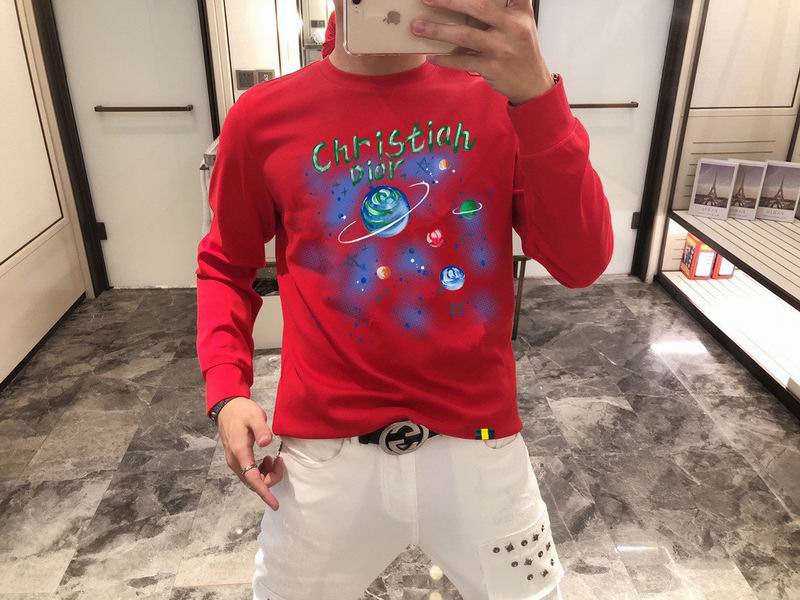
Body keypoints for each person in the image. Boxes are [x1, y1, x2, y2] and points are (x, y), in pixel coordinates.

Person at [195, 0, 613, 598]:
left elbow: (582, 262)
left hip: (481, 447)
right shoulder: (262, 117)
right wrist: (227, 389)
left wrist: (538, 98)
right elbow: (225, 265)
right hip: (323, 457)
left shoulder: (500, 100)